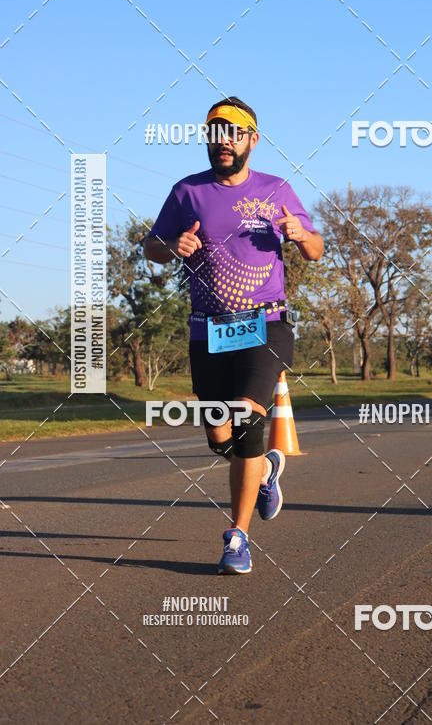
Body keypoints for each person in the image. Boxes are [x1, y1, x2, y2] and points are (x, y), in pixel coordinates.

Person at [144, 96, 323, 573]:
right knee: (219, 436)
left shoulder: (277, 189)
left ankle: (237, 537)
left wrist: (301, 236)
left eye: (233, 132)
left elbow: (316, 249)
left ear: (252, 139)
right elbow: (151, 246)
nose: (223, 141)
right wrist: (171, 245)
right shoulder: (187, 192)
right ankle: (265, 468)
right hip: (208, 331)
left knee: (246, 422)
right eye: (215, 133)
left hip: (265, 323)